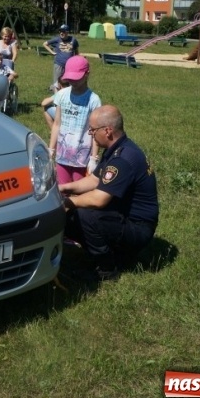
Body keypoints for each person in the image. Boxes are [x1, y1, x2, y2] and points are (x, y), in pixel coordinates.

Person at [59, 105, 158, 280]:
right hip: (124, 218)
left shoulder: (122, 159)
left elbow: (99, 199)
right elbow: (95, 180)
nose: (90, 134)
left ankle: (107, 269)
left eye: (92, 130)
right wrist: (63, 188)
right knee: (74, 214)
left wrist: (67, 203)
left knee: (85, 216)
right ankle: (107, 254)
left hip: (138, 228)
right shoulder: (117, 149)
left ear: (107, 131)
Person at [47, 56, 102, 185]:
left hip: (82, 157)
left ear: (87, 74)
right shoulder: (62, 95)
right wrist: (51, 149)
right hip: (62, 155)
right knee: (63, 188)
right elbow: (57, 124)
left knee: (79, 189)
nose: (73, 82)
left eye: (76, 78)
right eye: (70, 79)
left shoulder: (93, 100)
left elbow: (95, 131)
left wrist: (93, 158)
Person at [43, 24, 78, 92]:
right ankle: (56, 98)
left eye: (63, 31)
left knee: (68, 81)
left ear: (67, 32)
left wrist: (76, 60)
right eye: (60, 31)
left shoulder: (73, 40)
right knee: (56, 83)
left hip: (69, 65)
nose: (61, 33)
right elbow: (45, 44)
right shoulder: (57, 39)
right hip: (59, 64)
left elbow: (76, 51)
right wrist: (52, 52)